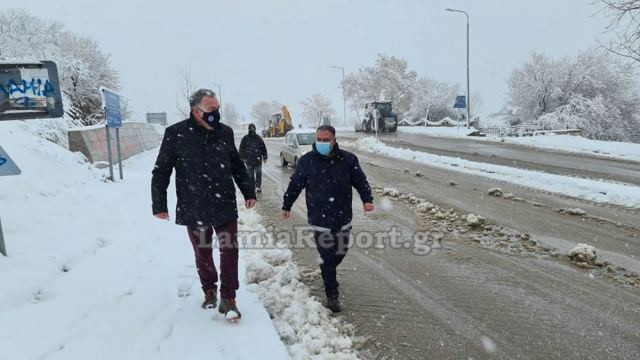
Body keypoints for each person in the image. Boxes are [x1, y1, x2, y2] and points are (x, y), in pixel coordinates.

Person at [151, 89, 256, 320]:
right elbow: (161, 172)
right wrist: (159, 204)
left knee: (230, 250)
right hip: (193, 204)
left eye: (217, 109)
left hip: (224, 204)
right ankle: (209, 289)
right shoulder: (175, 133)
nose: (216, 114)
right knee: (203, 251)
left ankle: (228, 298)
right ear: (196, 111)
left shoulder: (225, 132)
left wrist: (248, 191)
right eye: (211, 110)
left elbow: (237, 166)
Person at [281, 125, 374, 312]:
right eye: (319, 139)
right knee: (327, 256)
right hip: (319, 219)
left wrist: (367, 200)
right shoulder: (307, 161)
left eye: (326, 140)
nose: (322, 143)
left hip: (342, 218)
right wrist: (287, 205)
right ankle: (332, 294)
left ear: (334, 140)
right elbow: (295, 185)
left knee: (339, 253)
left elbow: (361, 181)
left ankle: (328, 270)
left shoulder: (348, 160)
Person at [239, 123, 268, 193]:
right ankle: (252, 187)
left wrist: (265, 156)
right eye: (251, 128)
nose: (252, 130)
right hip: (249, 161)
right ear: (248, 129)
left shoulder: (258, 138)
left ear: (255, 129)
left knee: (258, 174)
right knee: (250, 175)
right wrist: (243, 157)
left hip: (258, 161)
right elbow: (241, 149)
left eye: (253, 128)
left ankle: (258, 186)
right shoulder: (245, 138)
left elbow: (263, 148)